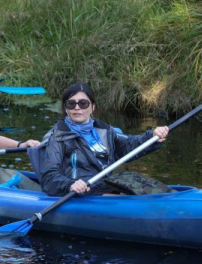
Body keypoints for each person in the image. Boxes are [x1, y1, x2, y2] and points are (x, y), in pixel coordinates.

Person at [39, 82, 170, 197]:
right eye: (71, 103)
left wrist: (151, 137)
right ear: (66, 108)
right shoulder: (57, 137)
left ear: (92, 107)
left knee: (137, 182)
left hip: (107, 184)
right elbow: (49, 177)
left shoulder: (105, 131)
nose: (77, 107)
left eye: (83, 103)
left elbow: (129, 145)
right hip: (82, 191)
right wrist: (70, 184)